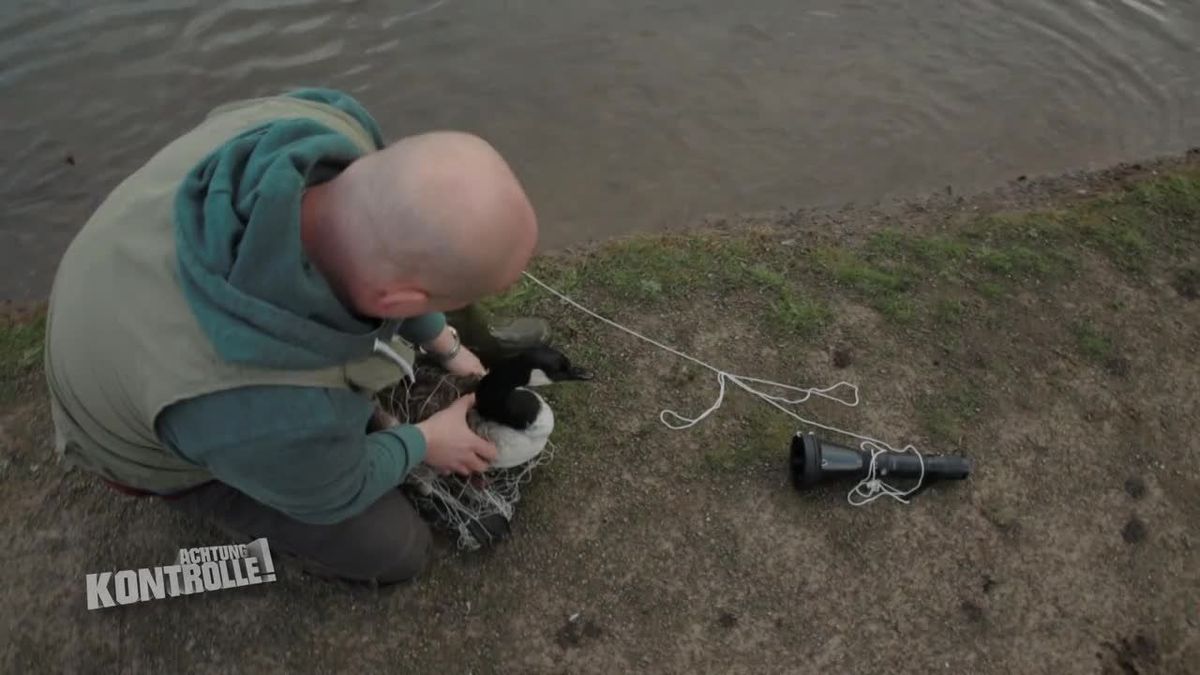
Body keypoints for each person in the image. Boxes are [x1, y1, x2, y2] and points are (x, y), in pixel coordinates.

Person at [43, 88, 549, 583]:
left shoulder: (326, 121)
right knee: (394, 548)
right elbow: (337, 488)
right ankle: (236, 500)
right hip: (132, 437)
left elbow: (387, 242)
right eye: (433, 306)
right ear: (395, 302)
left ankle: (429, 326)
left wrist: (446, 344)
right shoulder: (266, 406)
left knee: (439, 233)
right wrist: (422, 442)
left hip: (116, 267)